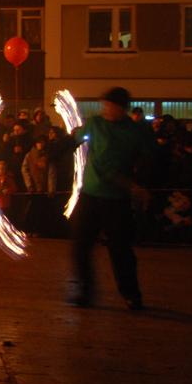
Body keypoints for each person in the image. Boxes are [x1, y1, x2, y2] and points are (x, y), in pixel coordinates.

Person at [69, 86, 151, 310]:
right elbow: (75, 138)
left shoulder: (134, 132)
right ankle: (85, 291)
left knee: (120, 249)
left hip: (116, 199)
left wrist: (138, 183)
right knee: (81, 246)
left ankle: (131, 294)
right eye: (103, 105)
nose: (105, 109)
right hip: (90, 195)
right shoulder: (95, 124)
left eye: (109, 105)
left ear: (121, 108)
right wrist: (64, 142)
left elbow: (149, 158)